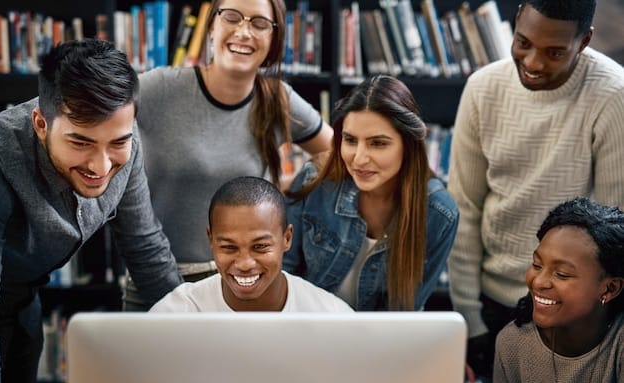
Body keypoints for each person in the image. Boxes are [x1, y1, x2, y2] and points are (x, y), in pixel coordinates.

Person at [446, 0, 624, 383]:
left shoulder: (613, 95)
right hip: (494, 306)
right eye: (522, 42)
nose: (533, 62)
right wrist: (469, 320)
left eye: (554, 52)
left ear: (585, 41)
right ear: (516, 20)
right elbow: (465, 210)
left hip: (580, 314)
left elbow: (614, 227)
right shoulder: (482, 88)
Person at [0, 39, 183, 383]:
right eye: (81, 142)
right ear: (40, 123)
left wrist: (197, 345)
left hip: (21, 298)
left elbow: (146, 250)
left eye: (117, 143)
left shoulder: (125, 146)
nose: (100, 166)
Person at [124, 0, 333, 309]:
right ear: (211, 27)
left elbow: (339, 152)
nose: (244, 32)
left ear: (274, 39)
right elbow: (88, 118)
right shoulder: (160, 88)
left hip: (239, 288)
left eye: (259, 24)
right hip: (157, 284)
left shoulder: (277, 99)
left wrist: (287, 197)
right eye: (232, 18)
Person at [283, 75, 458, 311]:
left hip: (381, 343)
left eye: (378, 143)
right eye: (351, 140)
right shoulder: (314, 181)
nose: (359, 158)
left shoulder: (439, 213)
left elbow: (406, 315)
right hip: (307, 334)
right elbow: (284, 280)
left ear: (408, 145)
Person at [491, 197, 624, 383]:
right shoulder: (513, 343)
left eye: (562, 274)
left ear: (609, 289)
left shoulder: (618, 344)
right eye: (536, 265)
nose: (539, 282)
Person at [150, 176, 352, 312]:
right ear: (210, 240)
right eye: (229, 247)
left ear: (287, 238)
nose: (245, 264)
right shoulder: (178, 313)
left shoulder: (329, 315)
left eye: (260, 247)